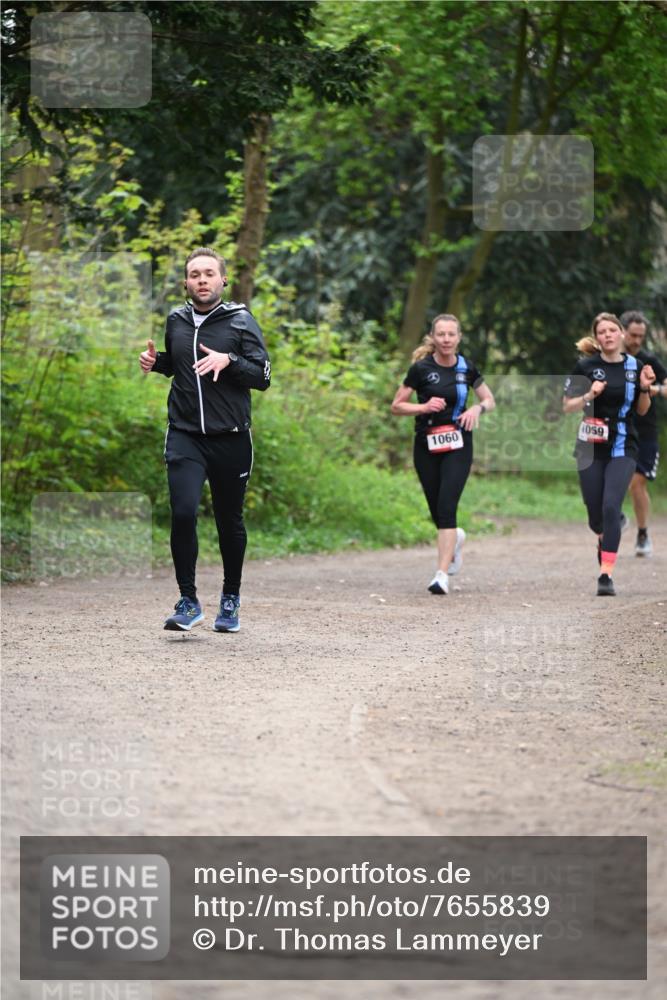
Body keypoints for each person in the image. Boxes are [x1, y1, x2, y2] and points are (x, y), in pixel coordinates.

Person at [139, 247, 271, 632]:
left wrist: (229, 361)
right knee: (182, 513)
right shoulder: (176, 320)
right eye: (194, 274)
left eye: (209, 273)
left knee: (229, 521)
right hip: (184, 435)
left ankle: (230, 599)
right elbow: (180, 367)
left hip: (231, 438)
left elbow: (262, 377)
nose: (201, 279)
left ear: (222, 280)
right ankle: (188, 599)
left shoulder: (241, 321)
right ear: (185, 282)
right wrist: (157, 362)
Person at [391, 313, 495, 594]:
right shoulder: (420, 369)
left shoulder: (466, 368)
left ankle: (441, 574)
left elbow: (489, 399)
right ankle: (455, 541)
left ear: (458, 337)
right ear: (433, 338)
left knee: (447, 507)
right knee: (436, 508)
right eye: (441, 334)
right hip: (427, 444)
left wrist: (476, 409)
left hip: (459, 443)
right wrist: (423, 408)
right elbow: (397, 406)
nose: (446, 339)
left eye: (452, 334)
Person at [563, 312, 654, 596]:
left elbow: (642, 410)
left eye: (612, 330)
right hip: (590, 447)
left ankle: (606, 574)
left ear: (622, 334)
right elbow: (567, 406)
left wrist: (644, 388)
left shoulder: (634, 366)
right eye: (602, 332)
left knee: (611, 505)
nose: (608, 335)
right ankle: (606, 532)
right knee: (596, 515)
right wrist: (590, 395)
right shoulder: (585, 366)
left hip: (623, 446)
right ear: (597, 338)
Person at [619, 310, 667, 557]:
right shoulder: (611, 358)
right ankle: (613, 514)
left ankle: (643, 533)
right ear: (623, 331)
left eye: (641, 336)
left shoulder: (650, 361)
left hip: (646, 431)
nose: (637, 340)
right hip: (618, 428)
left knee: (637, 483)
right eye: (633, 335)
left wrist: (652, 389)